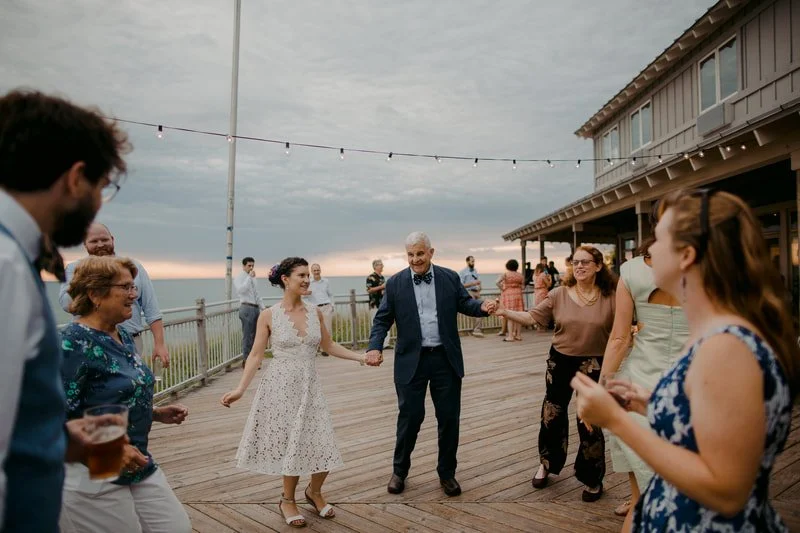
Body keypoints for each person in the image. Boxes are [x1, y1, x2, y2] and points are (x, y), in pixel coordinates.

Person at [572, 189, 800, 532]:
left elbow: (726, 491)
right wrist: (647, 403)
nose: (649, 249)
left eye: (659, 239)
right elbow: (710, 427)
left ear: (687, 255)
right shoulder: (714, 333)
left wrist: (615, 421)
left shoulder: (726, 347)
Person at [0, 89, 129, 532]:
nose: (98, 201)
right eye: (101, 187)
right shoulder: (6, 264)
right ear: (76, 178)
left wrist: (55, 439)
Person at [221, 257, 376, 528]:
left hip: (310, 386)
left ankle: (314, 492)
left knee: (322, 441)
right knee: (292, 444)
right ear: (285, 279)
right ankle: (287, 499)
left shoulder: (315, 312)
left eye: (308, 275)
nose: (306, 280)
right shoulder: (268, 315)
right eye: (301, 275)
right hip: (280, 387)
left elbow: (329, 346)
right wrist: (240, 389)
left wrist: (361, 358)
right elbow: (256, 355)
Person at [59, 256, 191, 533]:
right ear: (95, 293)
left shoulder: (122, 335)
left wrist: (152, 412)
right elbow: (49, 420)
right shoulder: (72, 344)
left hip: (136, 461)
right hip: (94, 470)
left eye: (134, 287)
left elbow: (110, 394)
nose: (135, 294)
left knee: (175, 527)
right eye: (126, 287)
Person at [366, 232, 496, 497]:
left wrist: (483, 307)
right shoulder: (395, 283)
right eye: (411, 255)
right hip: (410, 361)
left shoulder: (449, 277)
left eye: (420, 253)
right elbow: (382, 320)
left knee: (449, 418)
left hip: (444, 359)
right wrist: (374, 347)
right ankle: (399, 471)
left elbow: (465, 303)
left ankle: (447, 473)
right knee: (410, 418)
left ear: (431, 252)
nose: (416, 259)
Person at [495, 245, 616, 501]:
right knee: (552, 414)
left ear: (597, 266)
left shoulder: (610, 295)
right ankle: (547, 464)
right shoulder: (559, 294)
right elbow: (531, 318)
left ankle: (592, 477)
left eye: (585, 262)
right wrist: (505, 311)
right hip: (560, 361)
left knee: (590, 420)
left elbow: (623, 330)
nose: (580, 266)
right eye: (575, 262)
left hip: (594, 364)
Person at [598, 237, 689, 526]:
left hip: (637, 386)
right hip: (690, 388)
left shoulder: (633, 270)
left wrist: (602, 386)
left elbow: (620, 338)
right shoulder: (709, 269)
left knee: (641, 501)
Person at [60, 223, 169, 368]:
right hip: (91, 342)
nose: (100, 245)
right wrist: (93, 276)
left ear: (112, 239)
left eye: (104, 240)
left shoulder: (132, 267)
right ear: (85, 244)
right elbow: (67, 304)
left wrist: (159, 344)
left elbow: (151, 309)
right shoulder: (75, 269)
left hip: (130, 340)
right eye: (94, 241)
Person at [234, 256, 263, 367]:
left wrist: (263, 307)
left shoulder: (253, 278)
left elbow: (256, 294)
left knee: (256, 335)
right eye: (249, 266)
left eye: (252, 266)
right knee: (247, 336)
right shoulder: (239, 277)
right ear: (243, 266)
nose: (251, 268)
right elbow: (241, 290)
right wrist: (249, 278)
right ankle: (247, 360)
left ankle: (255, 360)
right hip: (246, 307)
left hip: (255, 307)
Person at [304, 263, 335, 354]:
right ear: (312, 272)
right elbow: (303, 296)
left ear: (320, 270)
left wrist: (332, 305)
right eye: (314, 270)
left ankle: (325, 349)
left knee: (327, 329)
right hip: (314, 308)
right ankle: (315, 348)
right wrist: (305, 293)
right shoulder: (308, 282)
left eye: (318, 270)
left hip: (326, 307)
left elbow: (331, 294)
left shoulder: (326, 281)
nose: (316, 272)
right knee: (314, 330)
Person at [366, 259, 391, 348]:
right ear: (375, 266)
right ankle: (375, 345)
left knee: (386, 322)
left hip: (383, 304)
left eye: (382, 264)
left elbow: (382, 289)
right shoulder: (370, 277)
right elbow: (369, 290)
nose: (382, 266)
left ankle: (386, 344)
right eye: (380, 264)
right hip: (374, 304)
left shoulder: (382, 277)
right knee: (375, 324)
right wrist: (381, 287)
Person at [498, 259, 525, 342]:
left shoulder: (506, 274)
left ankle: (510, 336)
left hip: (509, 295)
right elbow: (523, 287)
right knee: (519, 315)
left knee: (510, 315)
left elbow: (497, 282)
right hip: (518, 295)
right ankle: (518, 335)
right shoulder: (520, 275)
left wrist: (502, 288)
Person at [459, 255, 485, 337]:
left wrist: (480, 287)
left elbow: (477, 281)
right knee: (472, 310)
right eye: (472, 261)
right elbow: (461, 285)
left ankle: (477, 330)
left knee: (482, 308)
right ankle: (475, 330)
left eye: (474, 261)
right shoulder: (463, 272)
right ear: (467, 262)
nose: (473, 262)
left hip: (477, 292)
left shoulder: (475, 271)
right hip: (469, 292)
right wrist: (472, 284)